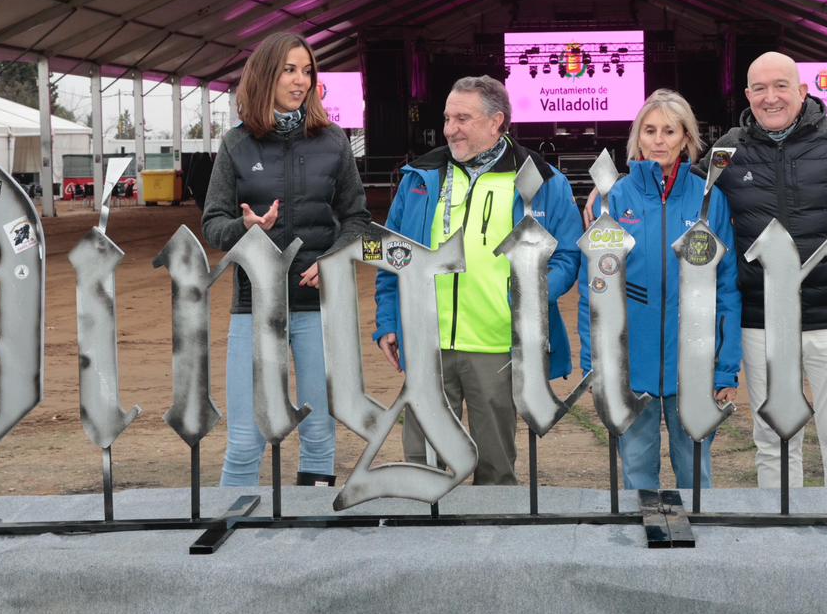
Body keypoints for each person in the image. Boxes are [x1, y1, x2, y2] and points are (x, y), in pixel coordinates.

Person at [374, 75, 580, 484]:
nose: (451, 128)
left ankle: (495, 542)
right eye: (448, 117)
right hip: (426, 342)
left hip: (497, 345)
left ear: (496, 122)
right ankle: (425, 544)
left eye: (463, 118)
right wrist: (388, 321)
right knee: (422, 466)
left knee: (496, 469)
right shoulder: (420, 176)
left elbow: (568, 256)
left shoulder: (541, 181)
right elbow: (392, 257)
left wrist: (529, 298)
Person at [711, 52, 827, 488]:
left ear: (802, 91)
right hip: (761, 323)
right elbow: (686, 200)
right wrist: (607, 198)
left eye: (781, 86)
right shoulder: (727, 150)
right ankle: (782, 539)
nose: (770, 97)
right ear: (747, 95)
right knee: (774, 436)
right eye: (759, 88)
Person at [202, 31, 370, 488]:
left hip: (318, 310)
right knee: (245, 437)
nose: (301, 80)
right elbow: (213, 224)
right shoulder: (236, 145)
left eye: (307, 70)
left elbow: (356, 219)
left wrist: (333, 260)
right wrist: (246, 228)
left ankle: (314, 530)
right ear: (264, 76)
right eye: (289, 70)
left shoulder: (334, 142)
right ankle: (231, 526)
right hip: (253, 310)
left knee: (319, 431)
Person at [580, 89, 742, 490]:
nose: (658, 140)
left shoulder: (710, 200)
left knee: (695, 477)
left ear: (686, 138)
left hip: (695, 366)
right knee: (637, 474)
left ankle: (699, 547)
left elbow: (727, 287)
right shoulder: (616, 199)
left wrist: (726, 365)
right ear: (637, 138)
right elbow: (595, 287)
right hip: (633, 365)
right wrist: (595, 361)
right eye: (649, 131)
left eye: (669, 131)